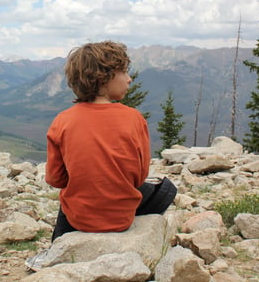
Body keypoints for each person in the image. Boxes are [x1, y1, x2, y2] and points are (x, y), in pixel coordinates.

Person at [44, 40, 177, 242]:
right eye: (124, 72)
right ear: (104, 78)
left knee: (69, 198)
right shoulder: (134, 118)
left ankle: (58, 244)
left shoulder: (62, 121)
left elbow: (56, 179)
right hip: (121, 218)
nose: (129, 79)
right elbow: (139, 177)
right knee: (166, 189)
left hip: (78, 219)